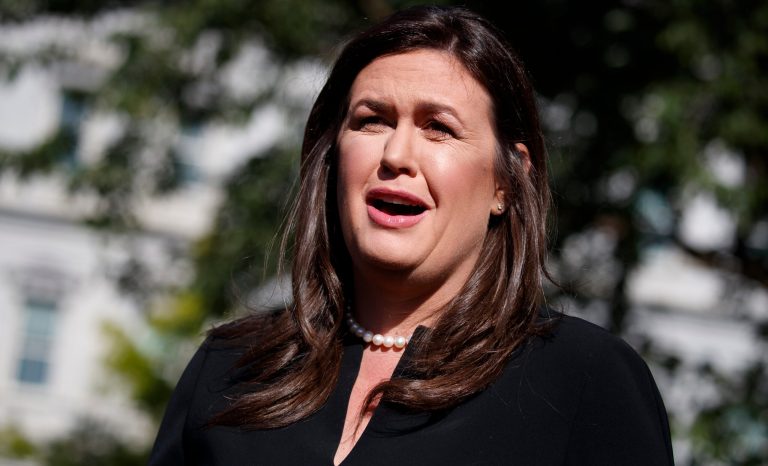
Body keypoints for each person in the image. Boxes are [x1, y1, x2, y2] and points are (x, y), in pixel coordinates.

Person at [148, 5, 674, 465]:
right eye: (371, 121)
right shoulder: (230, 367)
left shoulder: (583, 380)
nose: (396, 156)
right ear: (333, 158)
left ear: (506, 181)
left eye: (439, 128)